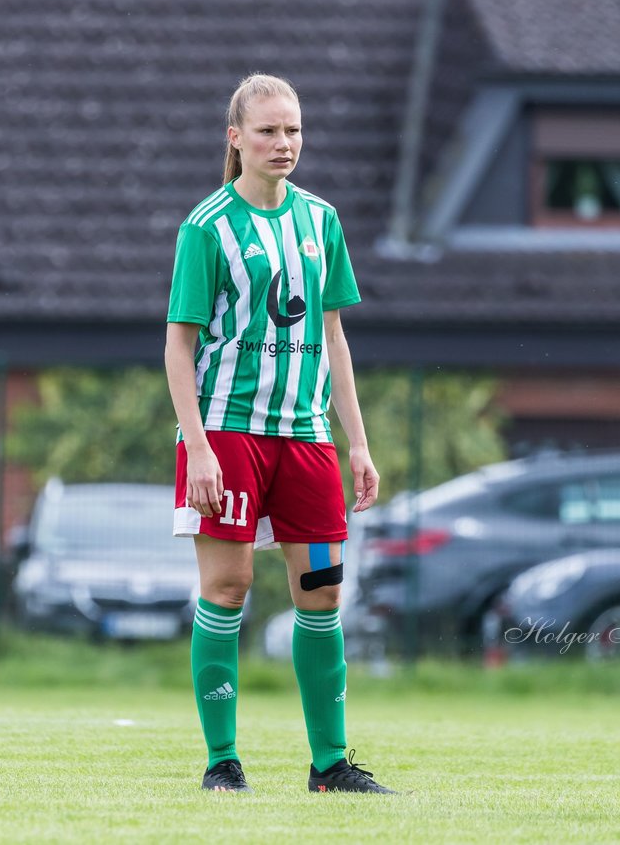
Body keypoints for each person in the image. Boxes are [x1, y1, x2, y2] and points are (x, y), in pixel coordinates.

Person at [164, 73, 394, 795]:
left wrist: (356, 440)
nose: (284, 143)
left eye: (292, 129)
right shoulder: (207, 226)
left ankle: (330, 767)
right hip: (228, 433)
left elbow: (334, 337)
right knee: (228, 587)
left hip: (305, 438)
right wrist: (195, 443)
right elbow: (178, 346)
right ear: (236, 139)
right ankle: (222, 762)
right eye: (268, 131)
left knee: (322, 591)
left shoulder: (322, 221)